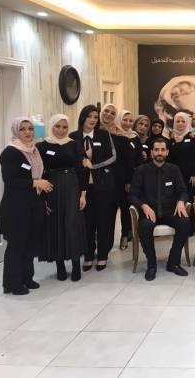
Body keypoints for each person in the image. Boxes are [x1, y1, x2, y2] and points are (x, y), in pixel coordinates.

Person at [0, 117, 52, 295]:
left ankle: (27, 278)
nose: (28, 132)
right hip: (16, 207)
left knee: (30, 244)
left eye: (30, 128)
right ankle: (12, 284)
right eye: (22, 129)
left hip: (34, 205)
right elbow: (10, 180)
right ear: (16, 131)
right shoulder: (10, 152)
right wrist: (35, 183)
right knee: (17, 246)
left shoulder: (34, 150)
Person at [129, 138, 190, 281]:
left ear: (167, 152)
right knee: (144, 227)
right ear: (151, 152)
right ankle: (151, 265)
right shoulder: (141, 170)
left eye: (162, 150)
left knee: (185, 223)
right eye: (156, 150)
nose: (159, 152)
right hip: (149, 211)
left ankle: (173, 262)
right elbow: (132, 195)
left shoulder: (174, 169)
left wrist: (181, 201)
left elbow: (183, 190)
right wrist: (143, 206)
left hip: (170, 210)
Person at [36, 114, 87, 281]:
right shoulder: (42, 146)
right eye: (57, 126)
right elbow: (39, 170)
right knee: (55, 224)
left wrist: (83, 194)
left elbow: (81, 170)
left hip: (72, 186)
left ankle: (76, 265)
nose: (61, 130)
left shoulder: (74, 144)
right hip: (51, 187)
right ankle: (60, 266)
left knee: (72, 225)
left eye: (65, 127)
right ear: (51, 126)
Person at [70, 105, 117, 271]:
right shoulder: (73, 137)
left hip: (103, 184)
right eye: (89, 116)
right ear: (83, 117)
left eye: (95, 117)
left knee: (103, 220)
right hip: (82, 187)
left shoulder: (103, 135)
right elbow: (70, 158)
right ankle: (88, 254)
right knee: (86, 222)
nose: (92, 120)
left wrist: (94, 165)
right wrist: (81, 163)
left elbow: (113, 156)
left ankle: (103, 255)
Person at [100, 104, 133, 262]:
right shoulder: (94, 134)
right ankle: (105, 245)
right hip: (101, 180)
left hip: (119, 180)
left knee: (124, 208)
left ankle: (125, 235)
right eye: (106, 111)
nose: (109, 114)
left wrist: (128, 181)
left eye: (113, 113)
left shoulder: (121, 137)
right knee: (106, 214)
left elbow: (128, 162)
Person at [118, 109, 144, 250]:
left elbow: (139, 159)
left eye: (130, 120)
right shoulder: (114, 135)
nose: (127, 123)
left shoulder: (135, 136)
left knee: (131, 207)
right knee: (123, 207)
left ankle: (131, 233)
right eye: (125, 120)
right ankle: (123, 235)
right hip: (118, 178)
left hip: (133, 177)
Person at [168, 112, 195, 202]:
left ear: (187, 123)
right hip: (174, 175)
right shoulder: (171, 139)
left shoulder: (192, 137)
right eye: (178, 121)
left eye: (183, 121)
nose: (180, 123)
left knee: (189, 198)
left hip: (189, 176)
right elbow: (169, 158)